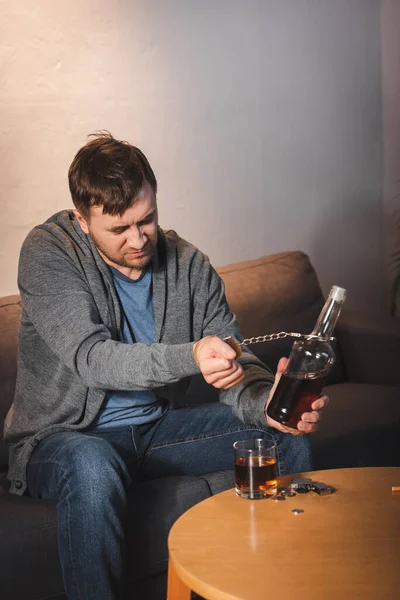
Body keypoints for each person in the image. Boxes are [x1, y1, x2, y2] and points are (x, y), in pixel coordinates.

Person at [4, 132, 328, 600]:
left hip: (155, 431)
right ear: (82, 219)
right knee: (94, 464)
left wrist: (269, 401)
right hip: (63, 439)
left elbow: (242, 362)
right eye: (118, 229)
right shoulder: (48, 254)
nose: (138, 240)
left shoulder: (190, 265)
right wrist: (193, 354)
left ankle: (287, 586)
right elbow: (93, 360)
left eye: (147, 220)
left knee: (281, 435)